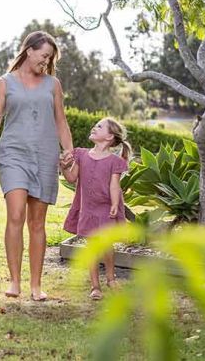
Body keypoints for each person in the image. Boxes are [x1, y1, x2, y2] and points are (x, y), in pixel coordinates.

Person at [0, 31, 74, 301]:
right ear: (29, 50)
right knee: (16, 215)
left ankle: (36, 284)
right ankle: (15, 281)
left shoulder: (53, 84)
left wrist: (68, 151)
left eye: (50, 58)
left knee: (37, 223)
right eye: (44, 55)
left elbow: (60, 121)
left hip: (44, 154)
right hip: (14, 153)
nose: (46, 61)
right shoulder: (4, 83)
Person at [61, 117, 132, 300]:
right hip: (88, 209)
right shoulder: (82, 155)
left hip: (106, 208)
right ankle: (95, 286)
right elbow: (71, 178)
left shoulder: (113, 161)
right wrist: (63, 168)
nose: (94, 127)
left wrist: (116, 204)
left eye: (99, 126)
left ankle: (110, 278)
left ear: (109, 137)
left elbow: (114, 186)